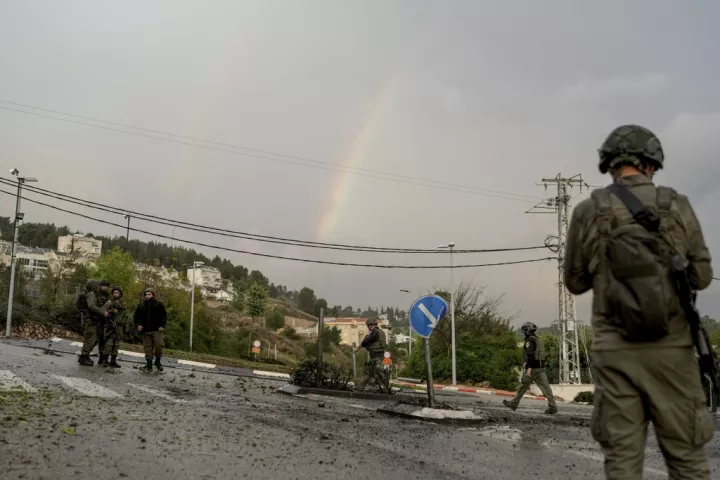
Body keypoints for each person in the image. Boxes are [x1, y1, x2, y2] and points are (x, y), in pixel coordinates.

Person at [564, 124, 714, 478]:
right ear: (651, 164)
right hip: (672, 351)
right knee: (687, 458)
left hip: (615, 352)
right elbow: (702, 277)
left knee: (623, 460)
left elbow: (575, 282)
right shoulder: (676, 205)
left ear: (611, 164)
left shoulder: (589, 210)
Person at [503, 322, 557, 414]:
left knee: (523, 386)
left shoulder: (529, 340)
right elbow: (538, 354)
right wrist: (526, 363)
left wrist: (529, 368)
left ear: (526, 330)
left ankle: (514, 404)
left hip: (533, 369)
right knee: (546, 389)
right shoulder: (538, 339)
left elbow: (531, 354)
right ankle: (553, 407)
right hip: (541, 368)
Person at [77, 279, 110, 367]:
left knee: (92, 339)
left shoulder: (90, 294)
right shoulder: (91, 294)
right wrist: (102, 312)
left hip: (91, 320)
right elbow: (91, 306)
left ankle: (84, 357)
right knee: (91, 340)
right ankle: (84, 357)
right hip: (89, 320)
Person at [133, 288, 167, 372]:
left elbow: (164, 316)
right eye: (146, 294)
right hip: (146, 330)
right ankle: (149, 366)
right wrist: (138, 325)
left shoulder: (159, 305)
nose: (147, 296)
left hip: (157, 329)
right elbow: (136, 317)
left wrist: (162, 325)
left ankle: (158, 362)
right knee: (147, 348)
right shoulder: (141, 306)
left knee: (159, 345)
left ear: (153, 295)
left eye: (149, 294)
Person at [354, 319, 388, 390]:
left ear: (370, 325)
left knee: (379, 370)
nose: (368, 327)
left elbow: (366, 341)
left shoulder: (373, 332)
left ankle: (386, 386)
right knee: (369, 372)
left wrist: (358, 348)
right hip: (379, 354)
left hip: (376, 355)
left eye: (368, 326)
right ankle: (360, 387)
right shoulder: (381, 332)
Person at [100, 286, 126, 369]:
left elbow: (124, 314)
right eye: (114, 293)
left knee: (116, 344)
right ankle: (105, 360)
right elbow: (102, 310)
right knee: (109, 343)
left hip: (119, 326)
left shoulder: (123, 303)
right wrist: (111, 311)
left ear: (120, 294)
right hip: (111, 325)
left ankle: (113, 361)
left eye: (117, 293)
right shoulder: (110, 302)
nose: (115, 294)